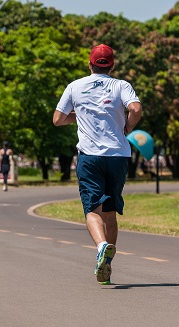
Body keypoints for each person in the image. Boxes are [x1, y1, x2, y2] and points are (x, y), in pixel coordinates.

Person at [53, 44, 142, 285]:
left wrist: (79, 115)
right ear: (112, 65)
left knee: (92, 210)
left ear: (89, 64)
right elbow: (135, 108)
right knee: (110, 213)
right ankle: (107, 266)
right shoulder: (121, 85)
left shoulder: (75, 86)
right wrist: (128, 127)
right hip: (118, 156)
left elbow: (58, 119)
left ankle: (102, 247)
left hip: (90, 157)